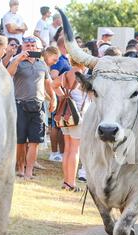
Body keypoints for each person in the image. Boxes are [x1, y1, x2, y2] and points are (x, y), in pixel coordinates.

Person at [7, 36, 56, 179]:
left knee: (34, 141)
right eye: (27, 44)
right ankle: (20, 168)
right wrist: (18, 59)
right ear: (23, 47)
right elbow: (8, 73)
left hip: (38, 106)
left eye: (33, 45)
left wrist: (53, 98)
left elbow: (48, 83)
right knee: (20, 141)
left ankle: (29, 171)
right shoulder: (17, 61)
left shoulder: (42, 64)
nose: (30, 47)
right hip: (20, 105)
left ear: (38, 48)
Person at [56, 57, 90, 192]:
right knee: (75, 150)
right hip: (78, 116)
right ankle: (71, 183)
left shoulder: (65, 75)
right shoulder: (84, 77)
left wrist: (63, 96)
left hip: (65, 114)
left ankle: (66, 181)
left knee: (67, 149)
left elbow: (52, 84)